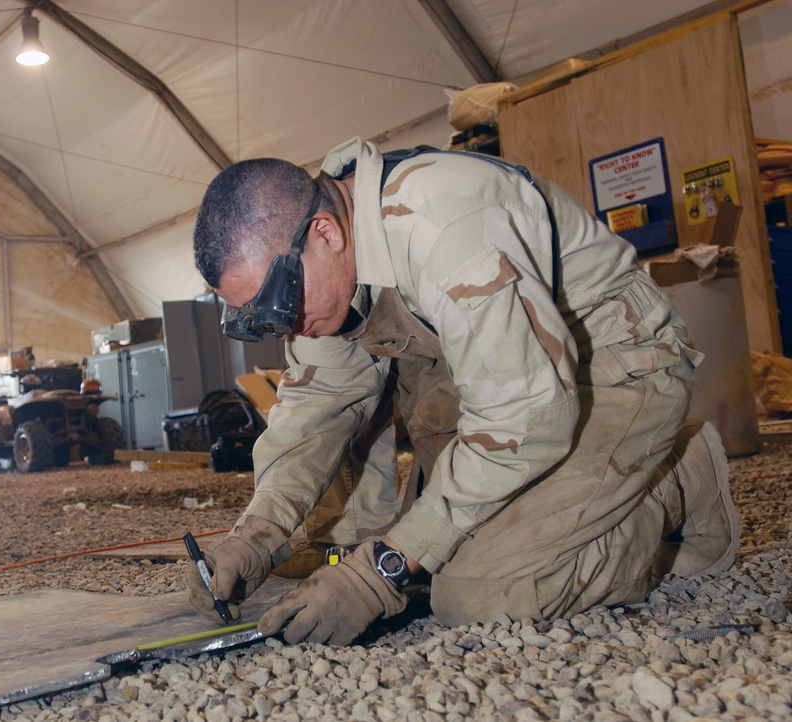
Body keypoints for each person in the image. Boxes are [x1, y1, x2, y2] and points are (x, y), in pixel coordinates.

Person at [186, 136, 739, 646]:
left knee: (475, 593)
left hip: (609, 370)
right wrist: (255, 535)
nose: (281, 327)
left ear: (325, 233)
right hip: (500, 378)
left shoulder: (445, 224)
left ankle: (678, 478)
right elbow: (315, 407)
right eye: (256, 319)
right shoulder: (324, 258)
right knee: (390, 552)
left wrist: (379, 572)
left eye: (279, 303)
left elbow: (524, 418)